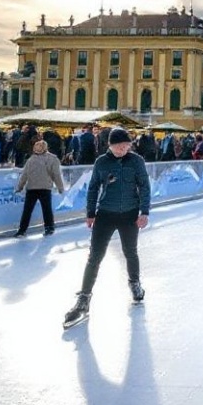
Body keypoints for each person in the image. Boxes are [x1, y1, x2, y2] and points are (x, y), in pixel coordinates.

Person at [62, 127, 152, 329]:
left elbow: (144, 186)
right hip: (105, 214)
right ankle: (84, 298)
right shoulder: (101, 162)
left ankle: (135, 283)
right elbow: (93, 187)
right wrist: (90, 213)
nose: (124, 150)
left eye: (127, 146)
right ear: (110, 146)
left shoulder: (136, 161)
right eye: (120, 147)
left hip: (130, 214)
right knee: (95, 256)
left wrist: (144, 212)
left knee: (130, 252)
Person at [13, 140, 66, 237]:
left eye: (38, 146)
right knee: (44, 209)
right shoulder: (48, 159)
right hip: (41, 188)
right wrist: (60, 188)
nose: (37, 148)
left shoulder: (33, 159)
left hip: (35, 188)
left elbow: (24, 175)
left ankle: (23, 230)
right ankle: (48, 227)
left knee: (29, 210)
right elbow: (56, 175)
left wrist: (19, 187)